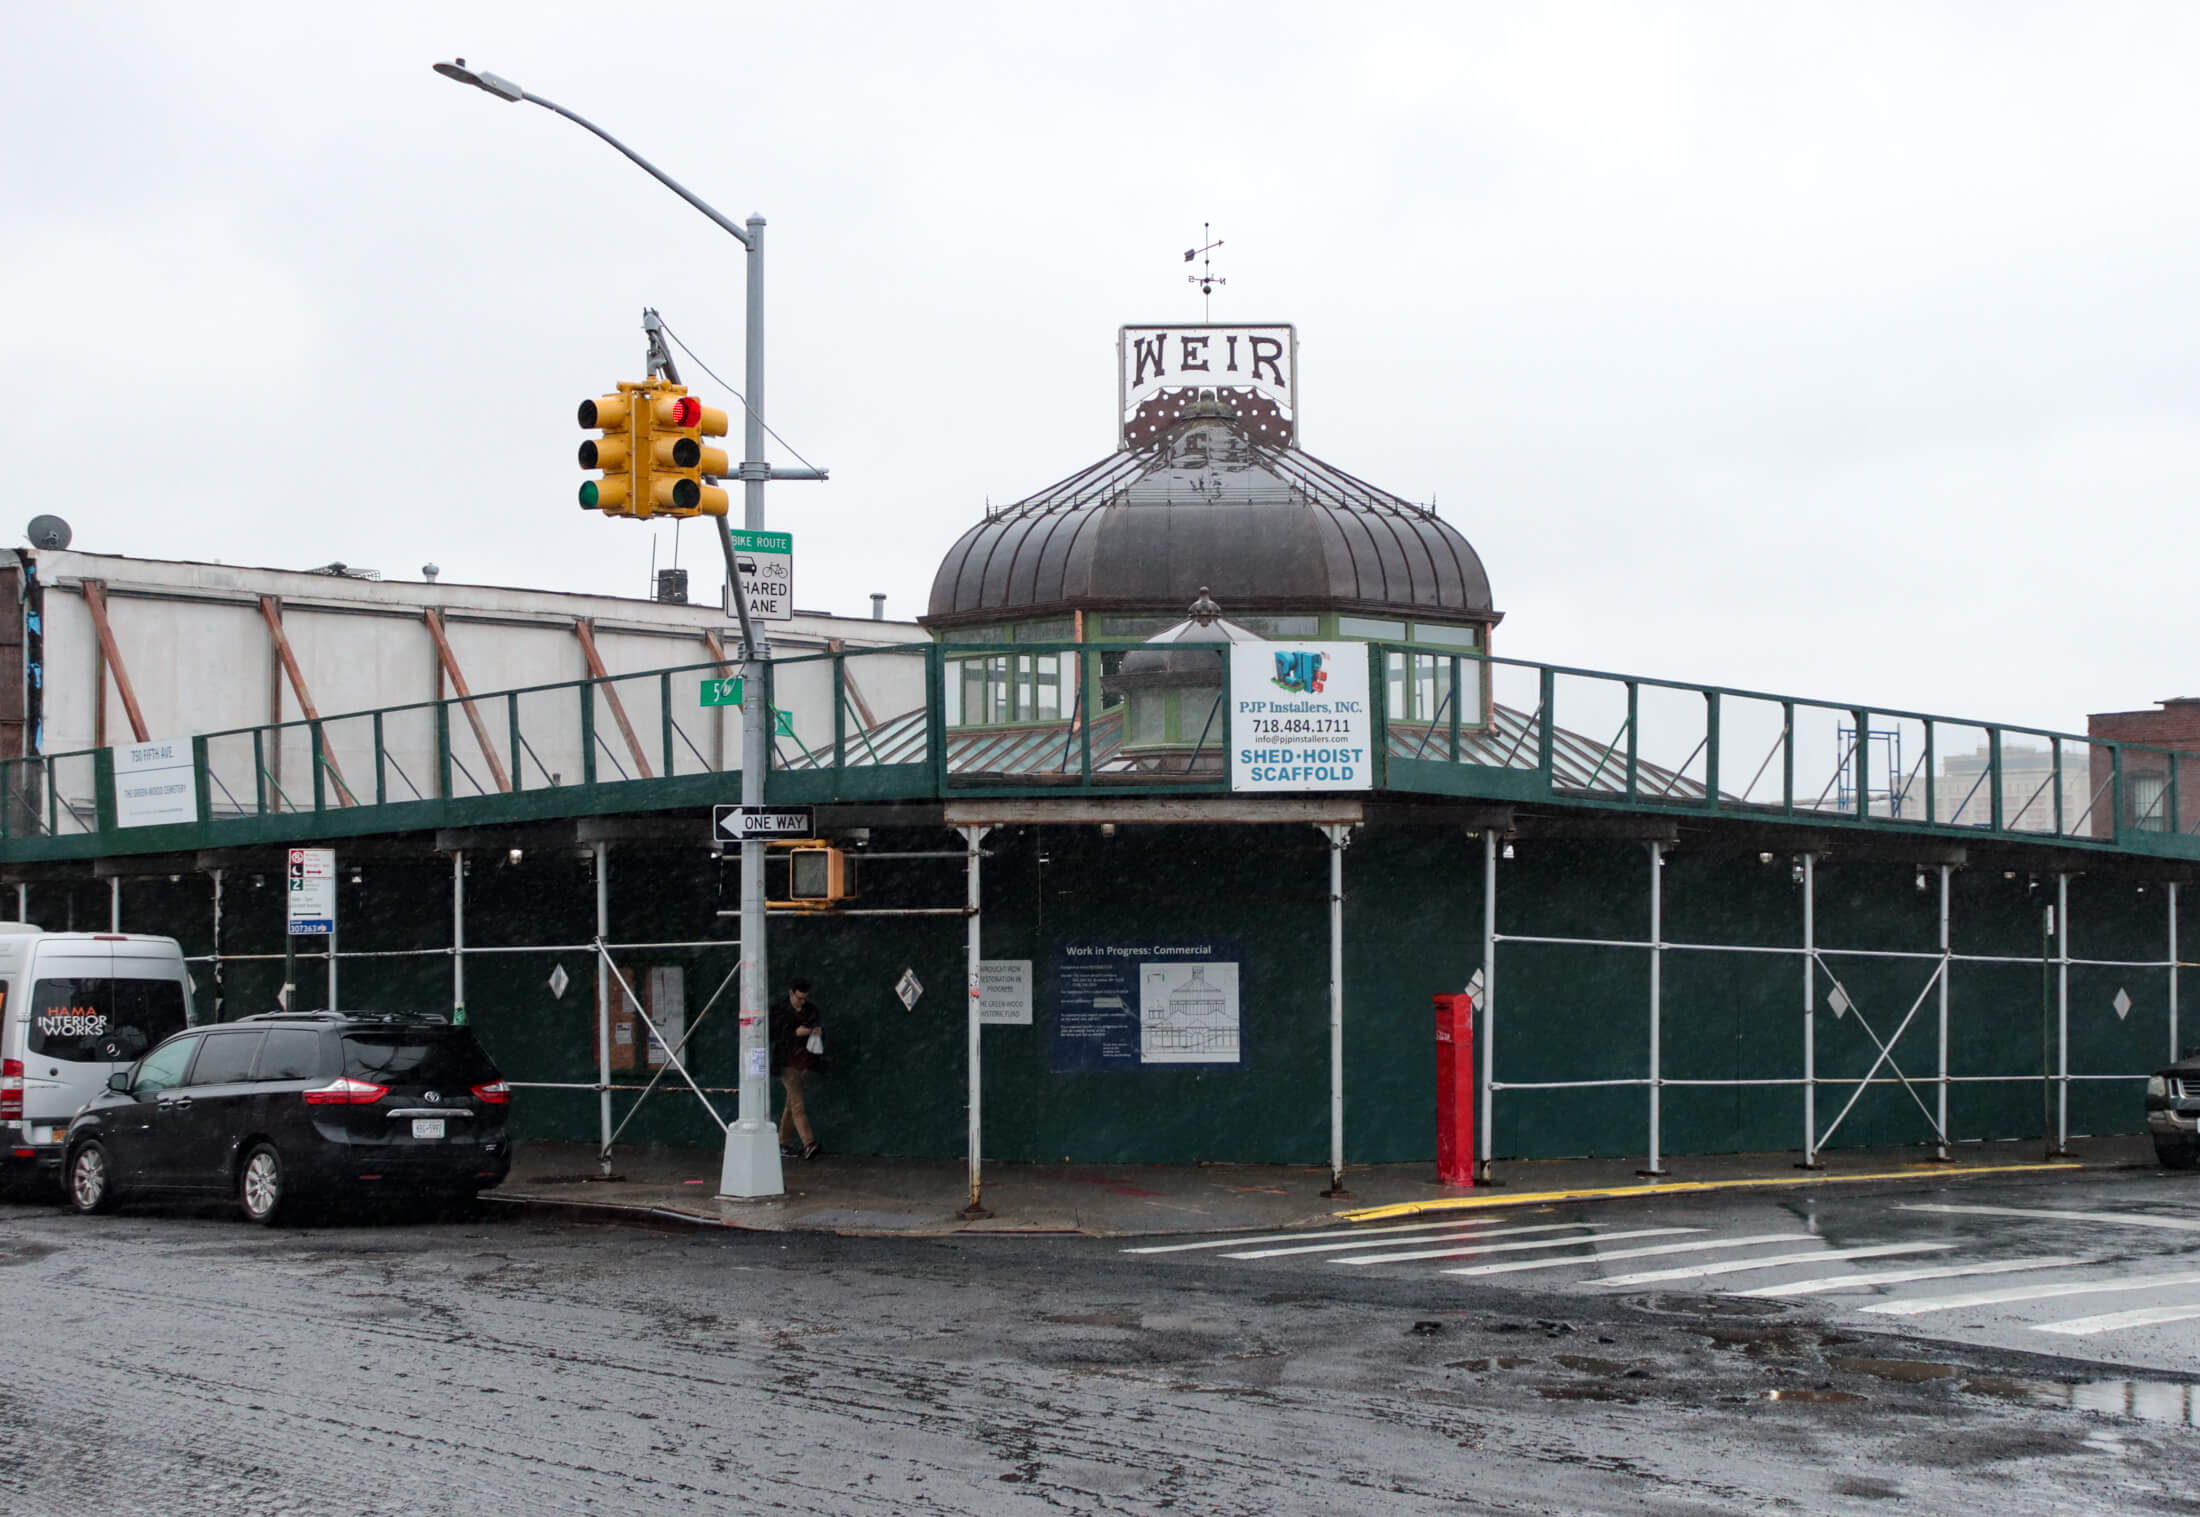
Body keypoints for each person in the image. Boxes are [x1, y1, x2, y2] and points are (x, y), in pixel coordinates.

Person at [770, 978, 824, 1160]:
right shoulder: (779, 1010)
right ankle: (809, 1143)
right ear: (791, 993)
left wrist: (814, 1031)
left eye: (804, 998)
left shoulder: (811, 1010)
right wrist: (795, 1033)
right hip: (787, 1063)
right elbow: (775, 1034)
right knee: (798, 1105)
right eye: (799, 998)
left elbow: (817, 1025)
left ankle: (781, 1143)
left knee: (791, 1104)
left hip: (805, 1063)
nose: (802, 1002)